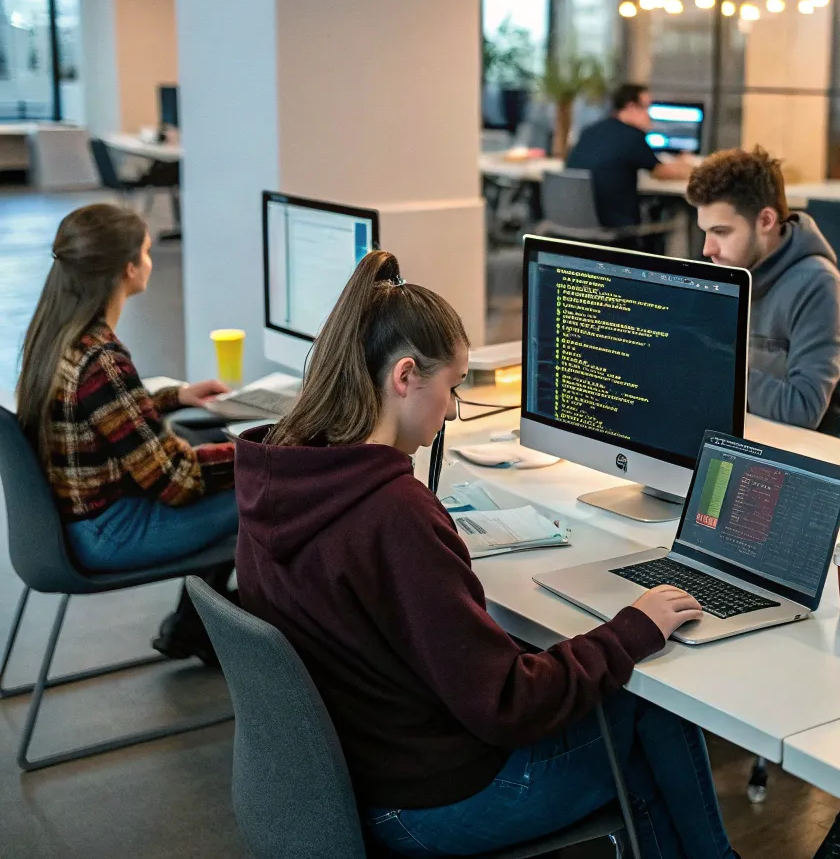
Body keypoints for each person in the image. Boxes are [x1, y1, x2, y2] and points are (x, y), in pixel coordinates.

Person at [234, 250, 737, 859]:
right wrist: (631, 630)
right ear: (404, 376)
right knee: (648, 707)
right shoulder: (392, 514)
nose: (452, 410)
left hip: (356, 774)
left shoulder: (281, 474)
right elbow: (508, 704)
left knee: (605, 691)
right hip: (431, 804)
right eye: (450, 388)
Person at [16, 203, 238, 664]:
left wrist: (175, 397)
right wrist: (263, 455)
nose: (151, 262)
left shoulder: (57, 335)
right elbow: (175, 482)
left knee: (212, 456)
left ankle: (192, 628)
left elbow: (93, 414)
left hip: (72, 524)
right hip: (108, 535)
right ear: (128, 268)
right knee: (267, 493)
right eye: (148, 252)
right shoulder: (102, 357)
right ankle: (235, 639)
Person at [685, 147, 840, 434]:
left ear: (766, 221)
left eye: (721, 232)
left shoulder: (818, 286)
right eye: (705, 231)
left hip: (828, 456)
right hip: (760, 434)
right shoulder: (733, 270)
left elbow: (802, 411)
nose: (707, 249)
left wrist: (717, 367)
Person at [565, 83, 695, 230]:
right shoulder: (632, 136)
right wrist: (694, 169)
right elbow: (662, 172)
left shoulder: (590, 131)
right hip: (614, 227)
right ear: (631, 107)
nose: (650, 116)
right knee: (676, 220)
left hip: (573, 225)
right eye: (647, 108)